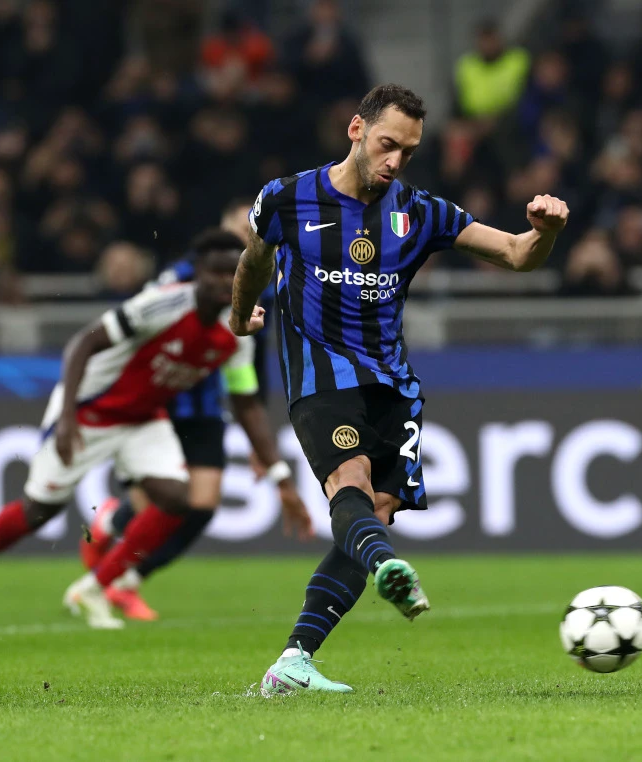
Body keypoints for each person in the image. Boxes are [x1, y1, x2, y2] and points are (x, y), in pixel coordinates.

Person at [230, 83, 569, 693]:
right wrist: (238, 318)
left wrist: (544, 230)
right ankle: (387, 566)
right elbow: (254, 260)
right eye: (388, 145)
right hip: (320, 376)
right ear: (356, 131)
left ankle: (293, 662)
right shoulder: (286, 199)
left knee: (376, 512)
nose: (396, 162)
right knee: (350, 483)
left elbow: (518, 256)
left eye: (408, 152)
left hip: (393, 386)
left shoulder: (420, 212)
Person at [0, 229, 312, 631]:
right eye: (217, 273)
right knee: (38, 511)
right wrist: (66, 418)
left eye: (234, 273)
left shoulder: (237, 329)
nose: (226, 283)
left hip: (143, 418)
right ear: (197, 274)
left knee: (176, 497)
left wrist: (279, 476)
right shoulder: (162, 305)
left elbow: (245, 403)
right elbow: (83, 344)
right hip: (89, 410)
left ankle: (94, 588)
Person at [81, 225, 305, 621]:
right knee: (155, 506)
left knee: (201, 506)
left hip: (205, 408)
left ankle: (124, 580)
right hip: (158, 404)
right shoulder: (177, 281)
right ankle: (112, 530)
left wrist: (267, 453)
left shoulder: (255, 279)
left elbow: (249, 363)